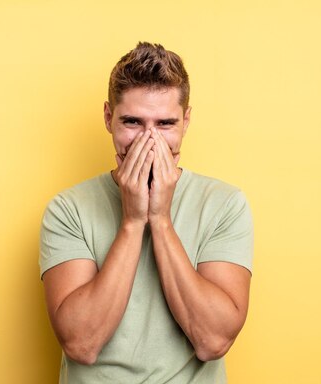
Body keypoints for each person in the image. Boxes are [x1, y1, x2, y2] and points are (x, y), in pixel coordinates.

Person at [39, 42, 254, 383]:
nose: (149, 141)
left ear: (186, 121)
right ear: (109, 118)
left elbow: (213, 340)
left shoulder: (225, 204)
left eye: (165, 123)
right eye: (133, 122)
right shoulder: (68, 210)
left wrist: (161, 220)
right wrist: (133, 220)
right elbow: (81, 344)